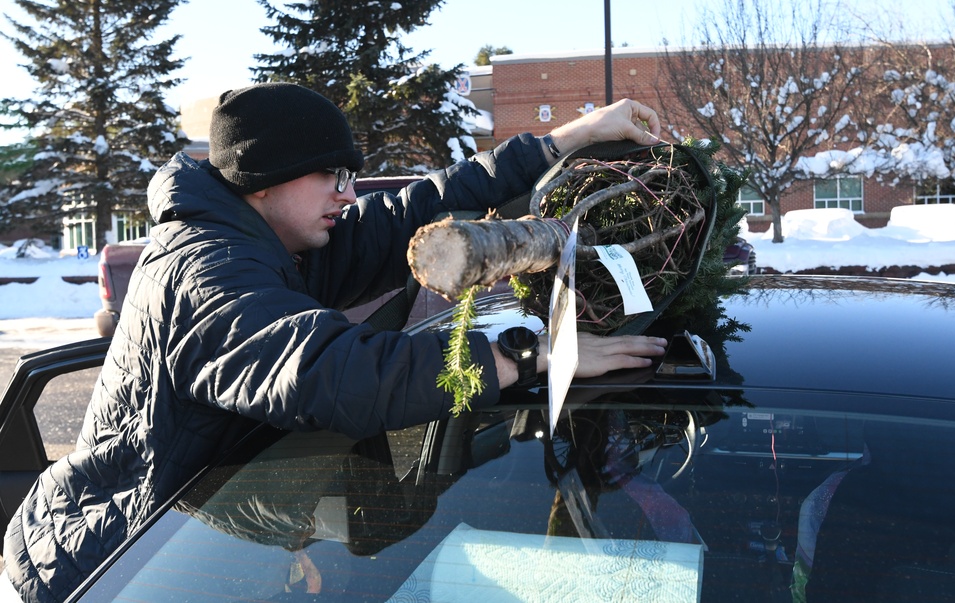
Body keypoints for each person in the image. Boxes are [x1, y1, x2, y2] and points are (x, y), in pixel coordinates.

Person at [2, 82, 669, 602]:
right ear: (268, 174)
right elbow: (335, 374)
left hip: (171, 552)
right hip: (102, 567)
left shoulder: (261, 242)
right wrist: (528, 354)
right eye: (334, 176)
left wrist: (570, 138)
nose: (348, 196)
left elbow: (410, 211)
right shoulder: (209, 275)